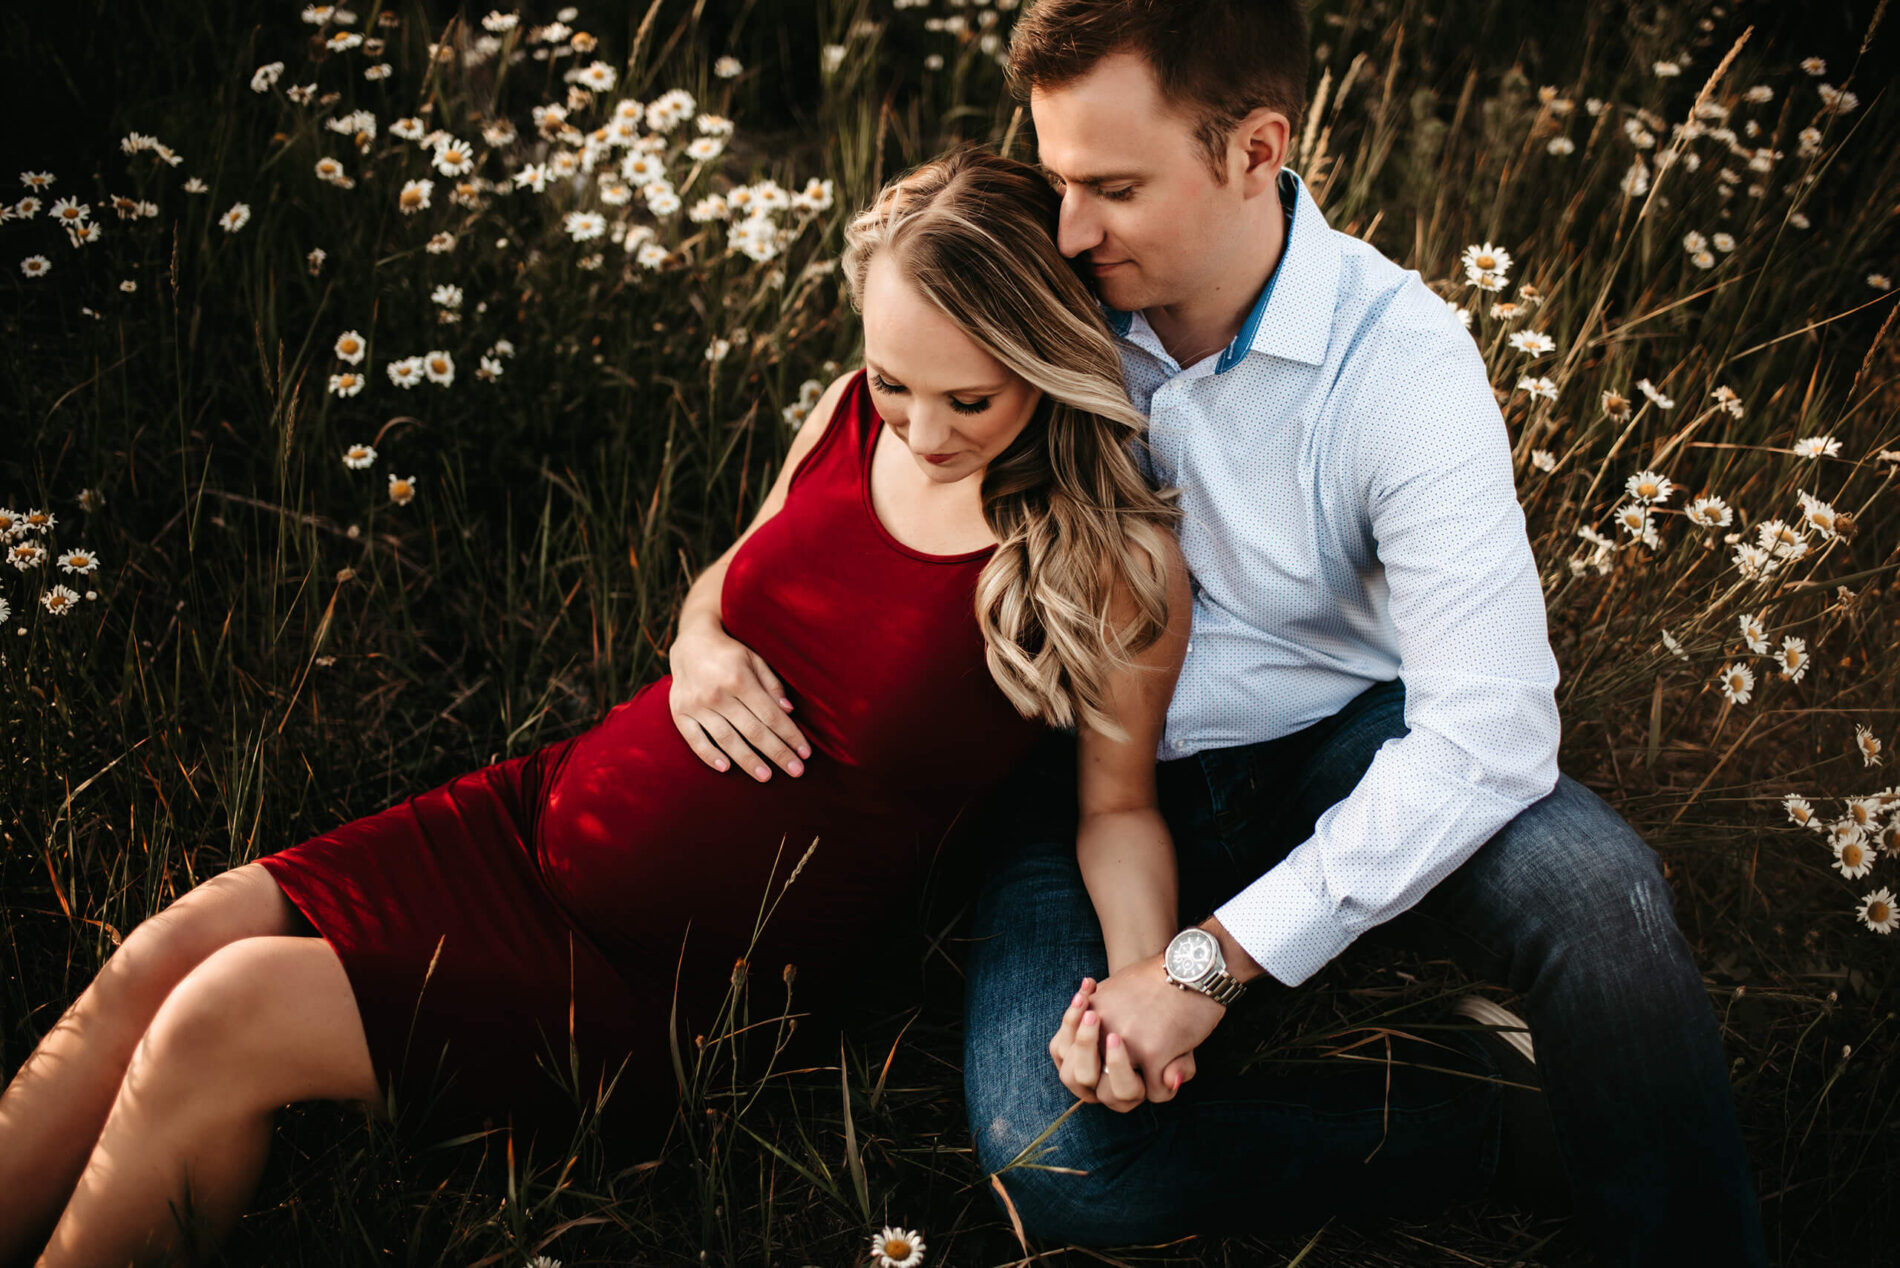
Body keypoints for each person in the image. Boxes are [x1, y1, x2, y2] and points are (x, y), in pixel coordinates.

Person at [0, 147, 1194, 1267]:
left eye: (968, 402)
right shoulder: (847, 412)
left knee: (221, 1014)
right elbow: (729, 575)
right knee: (175, 943)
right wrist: (695, 645)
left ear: (1045, 355)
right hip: (530, 818)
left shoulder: (1102, 566)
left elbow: (1115, 809)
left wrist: (1149, 979)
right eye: (895, 383)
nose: (921, 430)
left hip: (658, 989)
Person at [946, 3, 1772, 1266]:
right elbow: (867, 414)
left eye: (1112, 187)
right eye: (1058, 180)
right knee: (1054, 1162)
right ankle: (1500, 1117)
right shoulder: (1044, 292)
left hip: (1335, 737)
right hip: (1082, 783)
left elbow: (1489, 731)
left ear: (1255, 150)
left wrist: (1208, 966)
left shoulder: (1402, 361)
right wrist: (710, 614)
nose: (1069, 230)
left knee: (1598, 897)